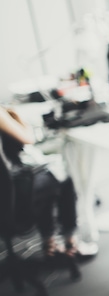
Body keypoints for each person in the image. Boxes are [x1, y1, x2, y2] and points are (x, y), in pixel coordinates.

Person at [0, 106, 79, 258]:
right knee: (60, 177)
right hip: (11, 203)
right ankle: (70, 242)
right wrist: (17, 117)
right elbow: (28, 138)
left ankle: (49, 242)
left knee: (43, 181)